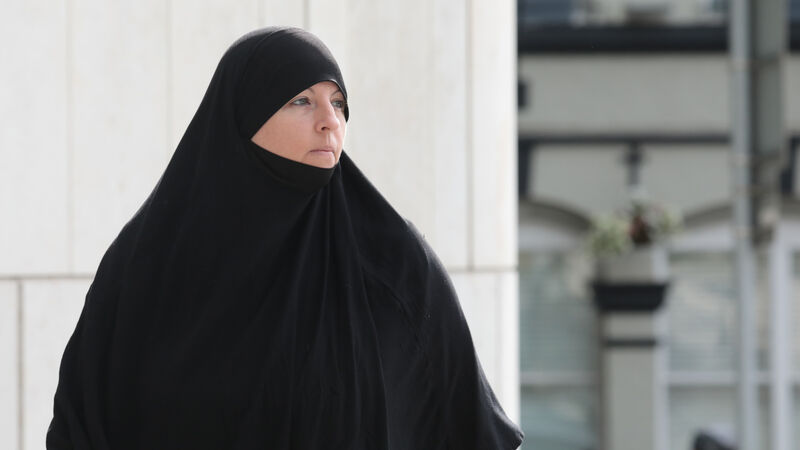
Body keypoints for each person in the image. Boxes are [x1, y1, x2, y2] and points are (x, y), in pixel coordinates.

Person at [47, 26, 523, 449]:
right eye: (302, 100)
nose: (330, 120)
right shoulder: (145, 267)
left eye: (338, 103)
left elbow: (465, 425)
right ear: (245, 114)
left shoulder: (393, 265)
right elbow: (80, 426)